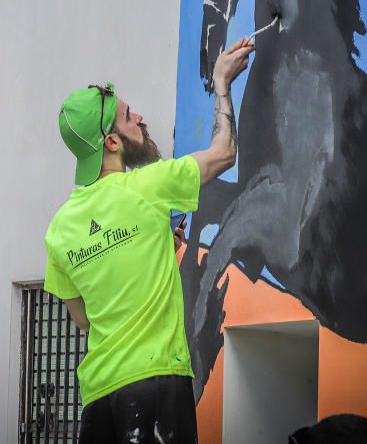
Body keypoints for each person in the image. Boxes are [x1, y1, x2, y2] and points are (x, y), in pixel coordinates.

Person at [44, 36, 255, 443]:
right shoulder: (148, 186)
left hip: (98, 398)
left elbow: (83, 318)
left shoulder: (59, 229)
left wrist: (150, 246)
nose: (139, 116)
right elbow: (224, 152)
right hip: (158, 386)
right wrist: (222, 81)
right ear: (112, 142)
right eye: (127, 116)